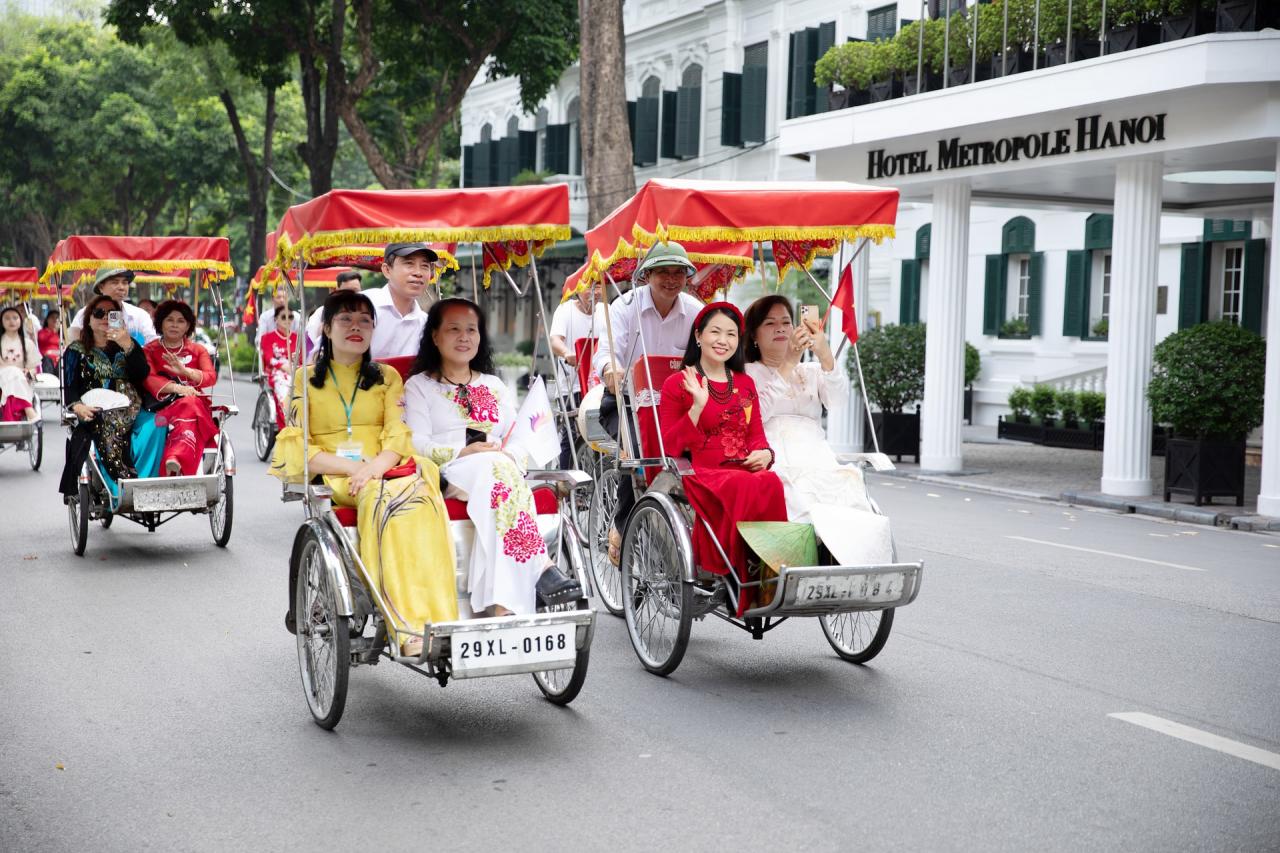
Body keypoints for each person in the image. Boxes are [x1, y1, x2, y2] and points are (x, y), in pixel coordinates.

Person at [270, 290, 457, 657]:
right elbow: (299, 449)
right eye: (345, 319)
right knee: (383, 498)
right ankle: (408, 625)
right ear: (325, 328)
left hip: (387, 465)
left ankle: (443, 617)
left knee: (423, 496)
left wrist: (372, 467)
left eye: (365, 321)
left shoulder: (387, 377)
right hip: (341, 473)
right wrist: (357, 469)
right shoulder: (305, 380)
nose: (356, 327)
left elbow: (398, 436)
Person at [402, 298, 583, 616]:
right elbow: (416, 441)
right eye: (454, 329)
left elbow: (517, 436)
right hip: (447, 471)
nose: (464, 337)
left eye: (471, 329)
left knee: (497, 469)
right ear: (434, 336)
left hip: (495, 472)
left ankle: (502, 606)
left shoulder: (494, 385)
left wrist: (507, 453)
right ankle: (540, 564)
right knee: (494, 469)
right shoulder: (419, 386)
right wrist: (463, 450)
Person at [658, 301, 787, 615]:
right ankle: (736, 578)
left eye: (731, 334)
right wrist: (698, 405)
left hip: (741, 466)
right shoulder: (677, 384)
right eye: (715, 331)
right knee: (742, 485)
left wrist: (765, 454)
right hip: (701, 471)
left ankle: (769, 580)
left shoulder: (744, 383)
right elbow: (671, 446)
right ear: (699, 336)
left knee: (770, 481)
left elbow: (756, 434)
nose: (723, 340)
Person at [744, 295, 888, 565]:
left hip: (816, 452)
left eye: (786, 322)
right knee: (796, 495)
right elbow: (757, 413)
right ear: (754, 335)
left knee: (846, 487)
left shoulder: (810, 370)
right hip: (775, 451)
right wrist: (787, 364)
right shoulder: (747, 372)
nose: (780, 329)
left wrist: (824, 354)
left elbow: (838, 401)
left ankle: (849, 560)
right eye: (770, 323)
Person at [591, 241, 703, 565]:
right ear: (647, 275)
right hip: (626, 403)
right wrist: (613, 370)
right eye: (663, 272)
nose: (671, 279)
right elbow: (605, 354)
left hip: (678, 406)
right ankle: (623, 524)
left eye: (678, 272)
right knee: (637, 451)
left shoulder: (696, 313)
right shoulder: (624, 307)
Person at [59, 293, 151, 498]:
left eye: (112, 314)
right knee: (100, 422)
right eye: (99, 313)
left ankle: (143, 479)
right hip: (93, 408)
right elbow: (70, 385)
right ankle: (124, 481)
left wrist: (127, 344)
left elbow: (142, 374)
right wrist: (77, 406)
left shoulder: (128, 343)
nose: (105, 317)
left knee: (158, 424)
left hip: (129, 403)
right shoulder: (76, 349)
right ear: (89, 320)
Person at [142, 300, 218, 476]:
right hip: (161, 414)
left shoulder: (198, 350)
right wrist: (179, 389)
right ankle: (175, 457)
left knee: (191, 403)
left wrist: (187, 372)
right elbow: (149, 379)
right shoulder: (150, 350)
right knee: (189, 403)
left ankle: (175, 458)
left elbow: (210, 377)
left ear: (188, 326)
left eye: (181, 321)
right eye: (170, 320)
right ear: (161, 322)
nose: (175, 325)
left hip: (197, 410)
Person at [549, 275, 604, 467]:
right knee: (571, 436)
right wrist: (567, 354)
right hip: (572, 385)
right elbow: (555, 340)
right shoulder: (565, 310)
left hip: (600, 386)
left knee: (603, 435)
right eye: (590, 286)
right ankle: (564, 485)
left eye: (598, 287)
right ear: (578, 288)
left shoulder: (607, 311)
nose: (594, 292)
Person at [367, 242, 436, 359]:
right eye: (409, 264)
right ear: (387, 270)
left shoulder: (425, 323)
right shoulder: (364, 306)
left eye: (425, 266)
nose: (418, 273)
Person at [68, 268, 158, 344]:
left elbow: (152, 343)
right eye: (115, 282)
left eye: (125, 283)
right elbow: (73, 346)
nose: (121, 287)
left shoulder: (140, 315)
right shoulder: (83, 314)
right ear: (101, 287)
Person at [260, 304, 299, 430]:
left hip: (296, 372)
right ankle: (288, 427)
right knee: (285, 395)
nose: (288, 320)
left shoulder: (297, 338)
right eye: (284, 317)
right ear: (276, 319)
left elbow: (303, 359)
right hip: (277, 374)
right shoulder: (267, 338)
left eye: (290, 317)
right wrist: (283, 366)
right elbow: (268, 358)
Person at [305, 269, 362, 352]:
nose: (351, 296)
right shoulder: (322, 313)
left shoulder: (368, 312)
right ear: (337, 290)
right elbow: (311, 343)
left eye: (356, 291)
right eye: (347, 291)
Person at [0, 305, 40, 421]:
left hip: (22, 380)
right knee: (12, 372)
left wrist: (29, 372)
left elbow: (33, 368)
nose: (11, 321)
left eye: (15, 318)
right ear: (1, 322)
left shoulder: (28, 344)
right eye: (7, 318)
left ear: (20, 320)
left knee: (15, 374)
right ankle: (28, 409)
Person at [37, 309, 60, 374]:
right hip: (46, 361)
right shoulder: (41, 332)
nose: (55, 320)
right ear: (47, 319)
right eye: (52, 317)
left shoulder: (60, 334)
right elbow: (44, 340)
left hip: (58, 361)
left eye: (57, 318)